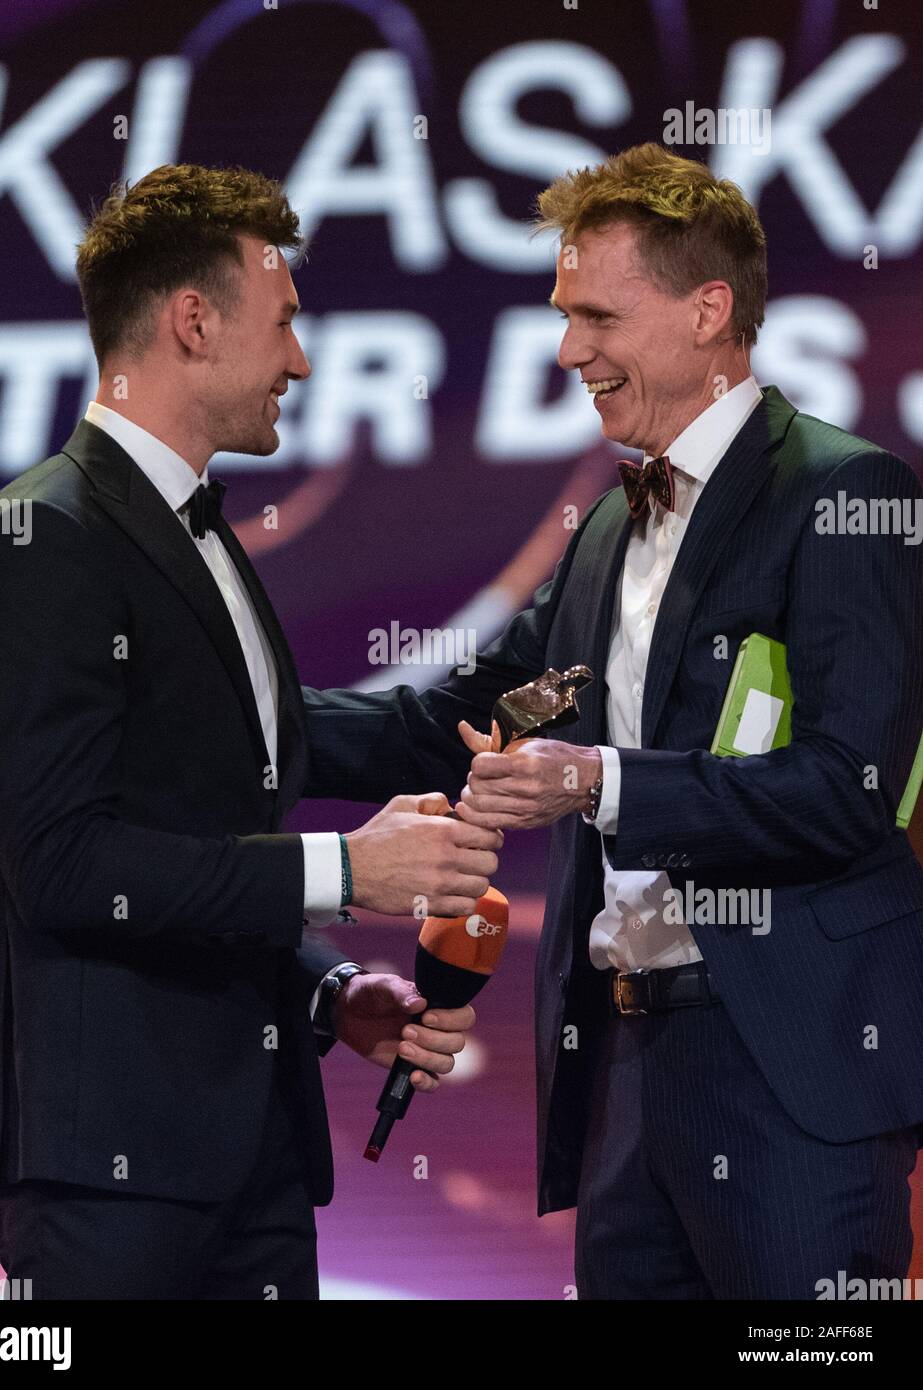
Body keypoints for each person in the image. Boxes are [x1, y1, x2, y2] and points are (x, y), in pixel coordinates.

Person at [301, 143, 923, 1299]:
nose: (566, 349)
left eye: (595, 314)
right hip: (623, 1070)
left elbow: (848, 788)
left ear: (707, 310)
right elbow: (449, 717)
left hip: (788, 1079)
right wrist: (231, 711)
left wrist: (599, 783)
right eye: (559, 313)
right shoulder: (604, 528)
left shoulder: (845, 494)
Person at [0, 163, 502, 1300]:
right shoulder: (38, 538)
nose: (301, 359)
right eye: (285, 322)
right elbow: (63, 865)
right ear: (193, 321)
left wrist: (321, 989)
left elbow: (213, 801)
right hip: (106, 1175)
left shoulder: (186, 528)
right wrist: (348, 868)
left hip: (249, 1157)